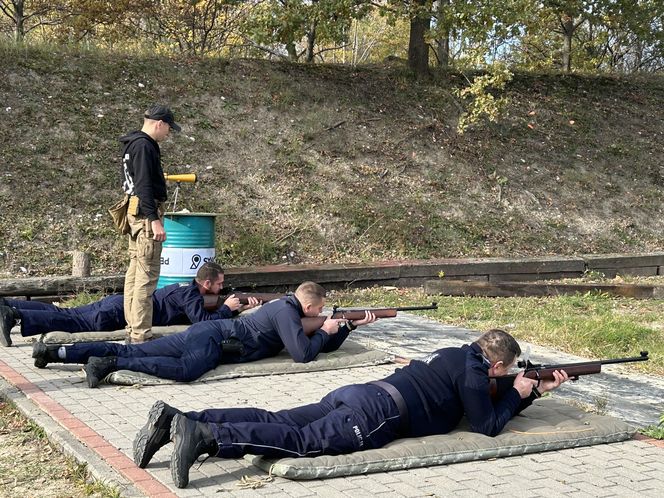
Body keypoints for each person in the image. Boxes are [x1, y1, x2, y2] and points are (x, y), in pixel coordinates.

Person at [130, 328, 569, 488]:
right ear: (496, 365)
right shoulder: (478, 374)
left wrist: (520, 390)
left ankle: (180, 418)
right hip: (378, 416)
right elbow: (488, 425)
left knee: (278, 418)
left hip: (361, 391)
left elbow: (478, 397)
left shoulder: (455, 352)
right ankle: (207, 436)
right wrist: (523, 392)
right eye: (506, 370)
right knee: (300, 442)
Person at [31, 281, 376, 387]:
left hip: (209, 331)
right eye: (320, 311)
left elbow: (317, 344)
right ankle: (106, 364)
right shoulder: (287, 312)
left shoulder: (287, 309)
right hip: (215, 339)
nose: (320, 316)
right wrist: (327, 330)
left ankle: (57, 353)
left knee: (133, 349)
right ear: (311, 306)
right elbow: (303, 354)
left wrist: (344, 327)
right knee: (185, 372)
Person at [0, 262, 258, 347]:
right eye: (219, 284)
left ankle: (9, 306)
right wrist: (226, 309)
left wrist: (241, 307)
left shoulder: (184, 288)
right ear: (207, 284)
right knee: (70, 321)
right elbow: (202, 322)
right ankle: (13, 315)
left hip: (119, 303)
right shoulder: (190, 296)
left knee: (65, 312)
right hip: (119, 312)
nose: (222, 288)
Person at [121, 104, 180, 344]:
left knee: (135, 274)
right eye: (168, 128)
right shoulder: (145, 145)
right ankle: (141, 335)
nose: (168, 134)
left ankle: (133, 329)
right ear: (160, 123)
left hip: (135, 213)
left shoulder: (132, 143)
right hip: (146, 215)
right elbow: (144, 185)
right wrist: (154, 220)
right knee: (146, 276)